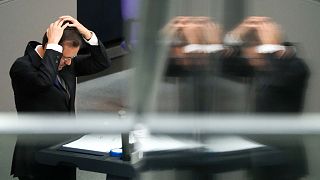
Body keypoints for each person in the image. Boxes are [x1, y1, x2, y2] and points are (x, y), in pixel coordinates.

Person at [9, 16, 110, 180]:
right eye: (65, 57)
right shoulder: (22, 67)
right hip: (36, 157)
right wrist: (54, 48)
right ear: (51, 48)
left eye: (71, 58)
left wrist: (86, 33)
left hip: (64, 152)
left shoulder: (66, 63)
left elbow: (102, 62)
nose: (69, 63)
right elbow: (43, 82)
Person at [223, 16, 309, 180]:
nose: (248, 56)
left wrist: (270, 47)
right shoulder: (262, 67)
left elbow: (279, 78)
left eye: (253, 51)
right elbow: (224, 64)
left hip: (286, 157)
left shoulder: (296, 66)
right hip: (260, 154)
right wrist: (236, 34)